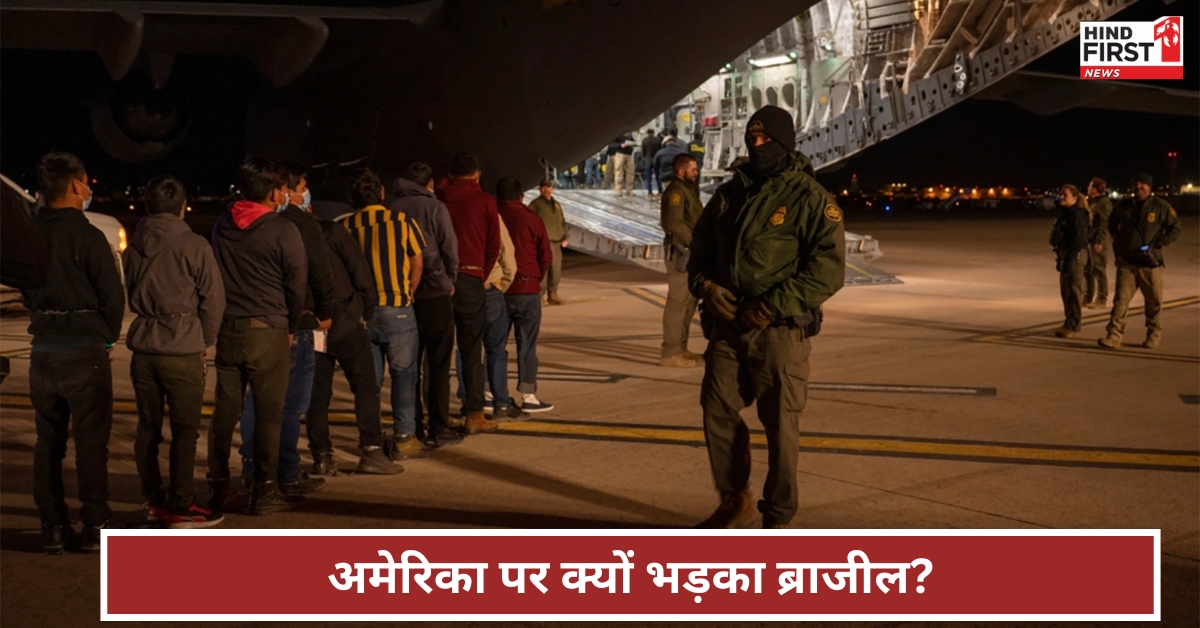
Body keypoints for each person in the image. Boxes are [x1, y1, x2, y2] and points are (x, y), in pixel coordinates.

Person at [687, 106, 845, 529]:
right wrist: (704, 285)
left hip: (778, 332)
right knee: (716, 409)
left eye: (765, 140)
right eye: (752, 139)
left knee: (780, 427)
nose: (757, 146)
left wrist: (773, 304)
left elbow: (828, 270)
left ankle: (777, 514)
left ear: (785, 144)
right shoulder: (729, 193)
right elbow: (699, 248)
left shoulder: (808, 197)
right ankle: (734, 497)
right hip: (728, 326)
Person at [25, 152, 125, 553]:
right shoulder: (88, 235)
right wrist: (106, 338)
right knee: (90, 443)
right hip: (83, 349)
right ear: (76, 185)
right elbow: (112, 297)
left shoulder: (31, 234)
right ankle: (95, 523)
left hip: (42, 348)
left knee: (47, 442)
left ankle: (52, 525)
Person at [124, 176, 225, 528]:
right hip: (182, 347)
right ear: (183, 206)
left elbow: (131, 290)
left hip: (144, 347)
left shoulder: (134, 246)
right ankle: (183, 505)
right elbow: (213, 300)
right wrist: (205, 340)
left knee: (148, 429)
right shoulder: (194, 245)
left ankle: (154, 501)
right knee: (185, 431)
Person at [209, 156, 307, 516]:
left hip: (229, 328)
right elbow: (296, 285)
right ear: (270, 192)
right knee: (269, 413)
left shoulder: (223, 224)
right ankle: (264, 489)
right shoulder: (283, 229)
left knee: (225, 412)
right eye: (281, 188)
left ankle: (218, 486)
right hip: (268, 329)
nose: (285, 194)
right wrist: (290, 326)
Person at [240, 163, 334, 496]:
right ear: (281, 190)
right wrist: (319, 314)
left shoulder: (232, 225)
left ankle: (252, 468)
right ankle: (287, 471)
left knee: (255, 402)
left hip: (245, 324)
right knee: (291, 404)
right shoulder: (293, 226)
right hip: (290, 324)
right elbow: (312, 276)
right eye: (299, 187)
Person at [307, 204, 400, 475]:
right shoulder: (330, 231)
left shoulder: (285, 233)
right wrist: (366, 309)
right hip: (344, 319)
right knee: (365, 386)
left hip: (311, 325)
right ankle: (371, 449)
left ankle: (321, 454)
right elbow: (359, 271)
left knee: (317, 393)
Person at [342, 169, 428, 453]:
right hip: (398, 307)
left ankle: (372, 440)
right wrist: (408, 292)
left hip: (362, 314)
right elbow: (418, 262)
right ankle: (404, 437)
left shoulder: (345, 227)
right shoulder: (401, 222)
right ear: (381, 193)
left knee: (370, 383)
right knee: (404, 375)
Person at [391, 162, 464, 449]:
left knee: (408, 367)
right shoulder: (435, 208)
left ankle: (412, 427)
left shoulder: (393, 207)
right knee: (438, 364)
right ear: (429, 183)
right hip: (434, 293)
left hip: (404, 294)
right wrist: (450, 280)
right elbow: (449, 247)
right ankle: (438, 425)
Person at [437, 154, 501, 434]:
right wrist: (480, 274)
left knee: (436, 351)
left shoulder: (439, 197)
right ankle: (473, 414)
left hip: (438, 281)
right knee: (471, 349)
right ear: (477, 174)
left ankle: (437, 415)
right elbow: (493, 246)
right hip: (472, 278)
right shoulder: (485, 201)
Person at [1098, 172, 1182, 350]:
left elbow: (1175, 228)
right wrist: (1119, 245)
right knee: (1120, 300)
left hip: (1150, 264)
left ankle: (1153, 334)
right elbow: (1112, 224)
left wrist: (1158, 243)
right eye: (1136, 184)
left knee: (1153, 301)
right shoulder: (1123, 206)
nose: (1139, 187)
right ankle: (1113, 336)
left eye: (1143, 184)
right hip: (1127, 262)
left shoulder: (1161, 206)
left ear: (1149, 187)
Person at [496, 177, 555, 413]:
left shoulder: (493, 216)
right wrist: (534, 279)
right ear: (521, 196)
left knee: (495, 346)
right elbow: (546, 256)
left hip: (498, 290)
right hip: (527, 288)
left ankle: (492, 391)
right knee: (528, 345)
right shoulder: (532, 218)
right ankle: (528, 395)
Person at [477, 212, 524, 419]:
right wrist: (501, 285)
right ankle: (502, 404)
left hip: (461, 290)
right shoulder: (489, 214)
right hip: (489, 288)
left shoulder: (448, 209)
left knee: (466, 351)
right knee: (495, 350)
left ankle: (471, 406)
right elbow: (507, 255)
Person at [659, 154, 705, 368]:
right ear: (680, 172)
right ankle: (670, 352)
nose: (696, 173)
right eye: (693, 169)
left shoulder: (688, 190)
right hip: (680, 253)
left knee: (688, 303)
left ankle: (681, 349)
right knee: (677, 303)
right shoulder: (676, 192)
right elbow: (673, 223)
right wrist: (695, 241)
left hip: (690, 252)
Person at [1049, 184, 1090, 339]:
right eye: (1061, 193)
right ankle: (1068, 322)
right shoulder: (1065, 214)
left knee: (1073, 290)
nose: (1062, 196)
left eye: (1065, 194)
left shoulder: (1078, 215)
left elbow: (1079, 239)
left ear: (1074, 197)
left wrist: (1071, 257)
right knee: (1065, 290)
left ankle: (1074, 325)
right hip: (1065, 255)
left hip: (1074, 256)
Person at [529, 179, 568, 306]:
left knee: (555, 270)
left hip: (557, 242)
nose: (546, 190)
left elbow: (562, 220)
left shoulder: (556, 204)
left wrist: (565, 236)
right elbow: (530, 222)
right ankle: (540, 296)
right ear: (540, 189)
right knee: (543, 270)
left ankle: (553, 294)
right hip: (543, 242)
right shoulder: (535, 204)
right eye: (544, 187)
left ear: (552, 189)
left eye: (549, 187)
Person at [1083, 177, 1113, 309]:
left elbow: (1103, 224)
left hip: (1097, 241)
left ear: (1095, 189)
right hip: (1090, 239)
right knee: (1087, 269)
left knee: (1099, 269)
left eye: (1090, 186)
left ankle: (1101, 299)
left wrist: (1099, 241)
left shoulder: (1103, 204)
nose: (1088, 188)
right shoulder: (1093, 202)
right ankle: (1087, 296)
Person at [641, 130, 663, 199]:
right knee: (658, 177)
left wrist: (646, 157)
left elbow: (643, 151)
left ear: (647, 133)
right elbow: (660, 150)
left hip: (648, 160)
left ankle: (650, 193)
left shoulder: (644, 140)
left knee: (648, 178)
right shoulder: (658, 140)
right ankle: (660, 192)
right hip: (656, 161)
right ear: (654, 133)